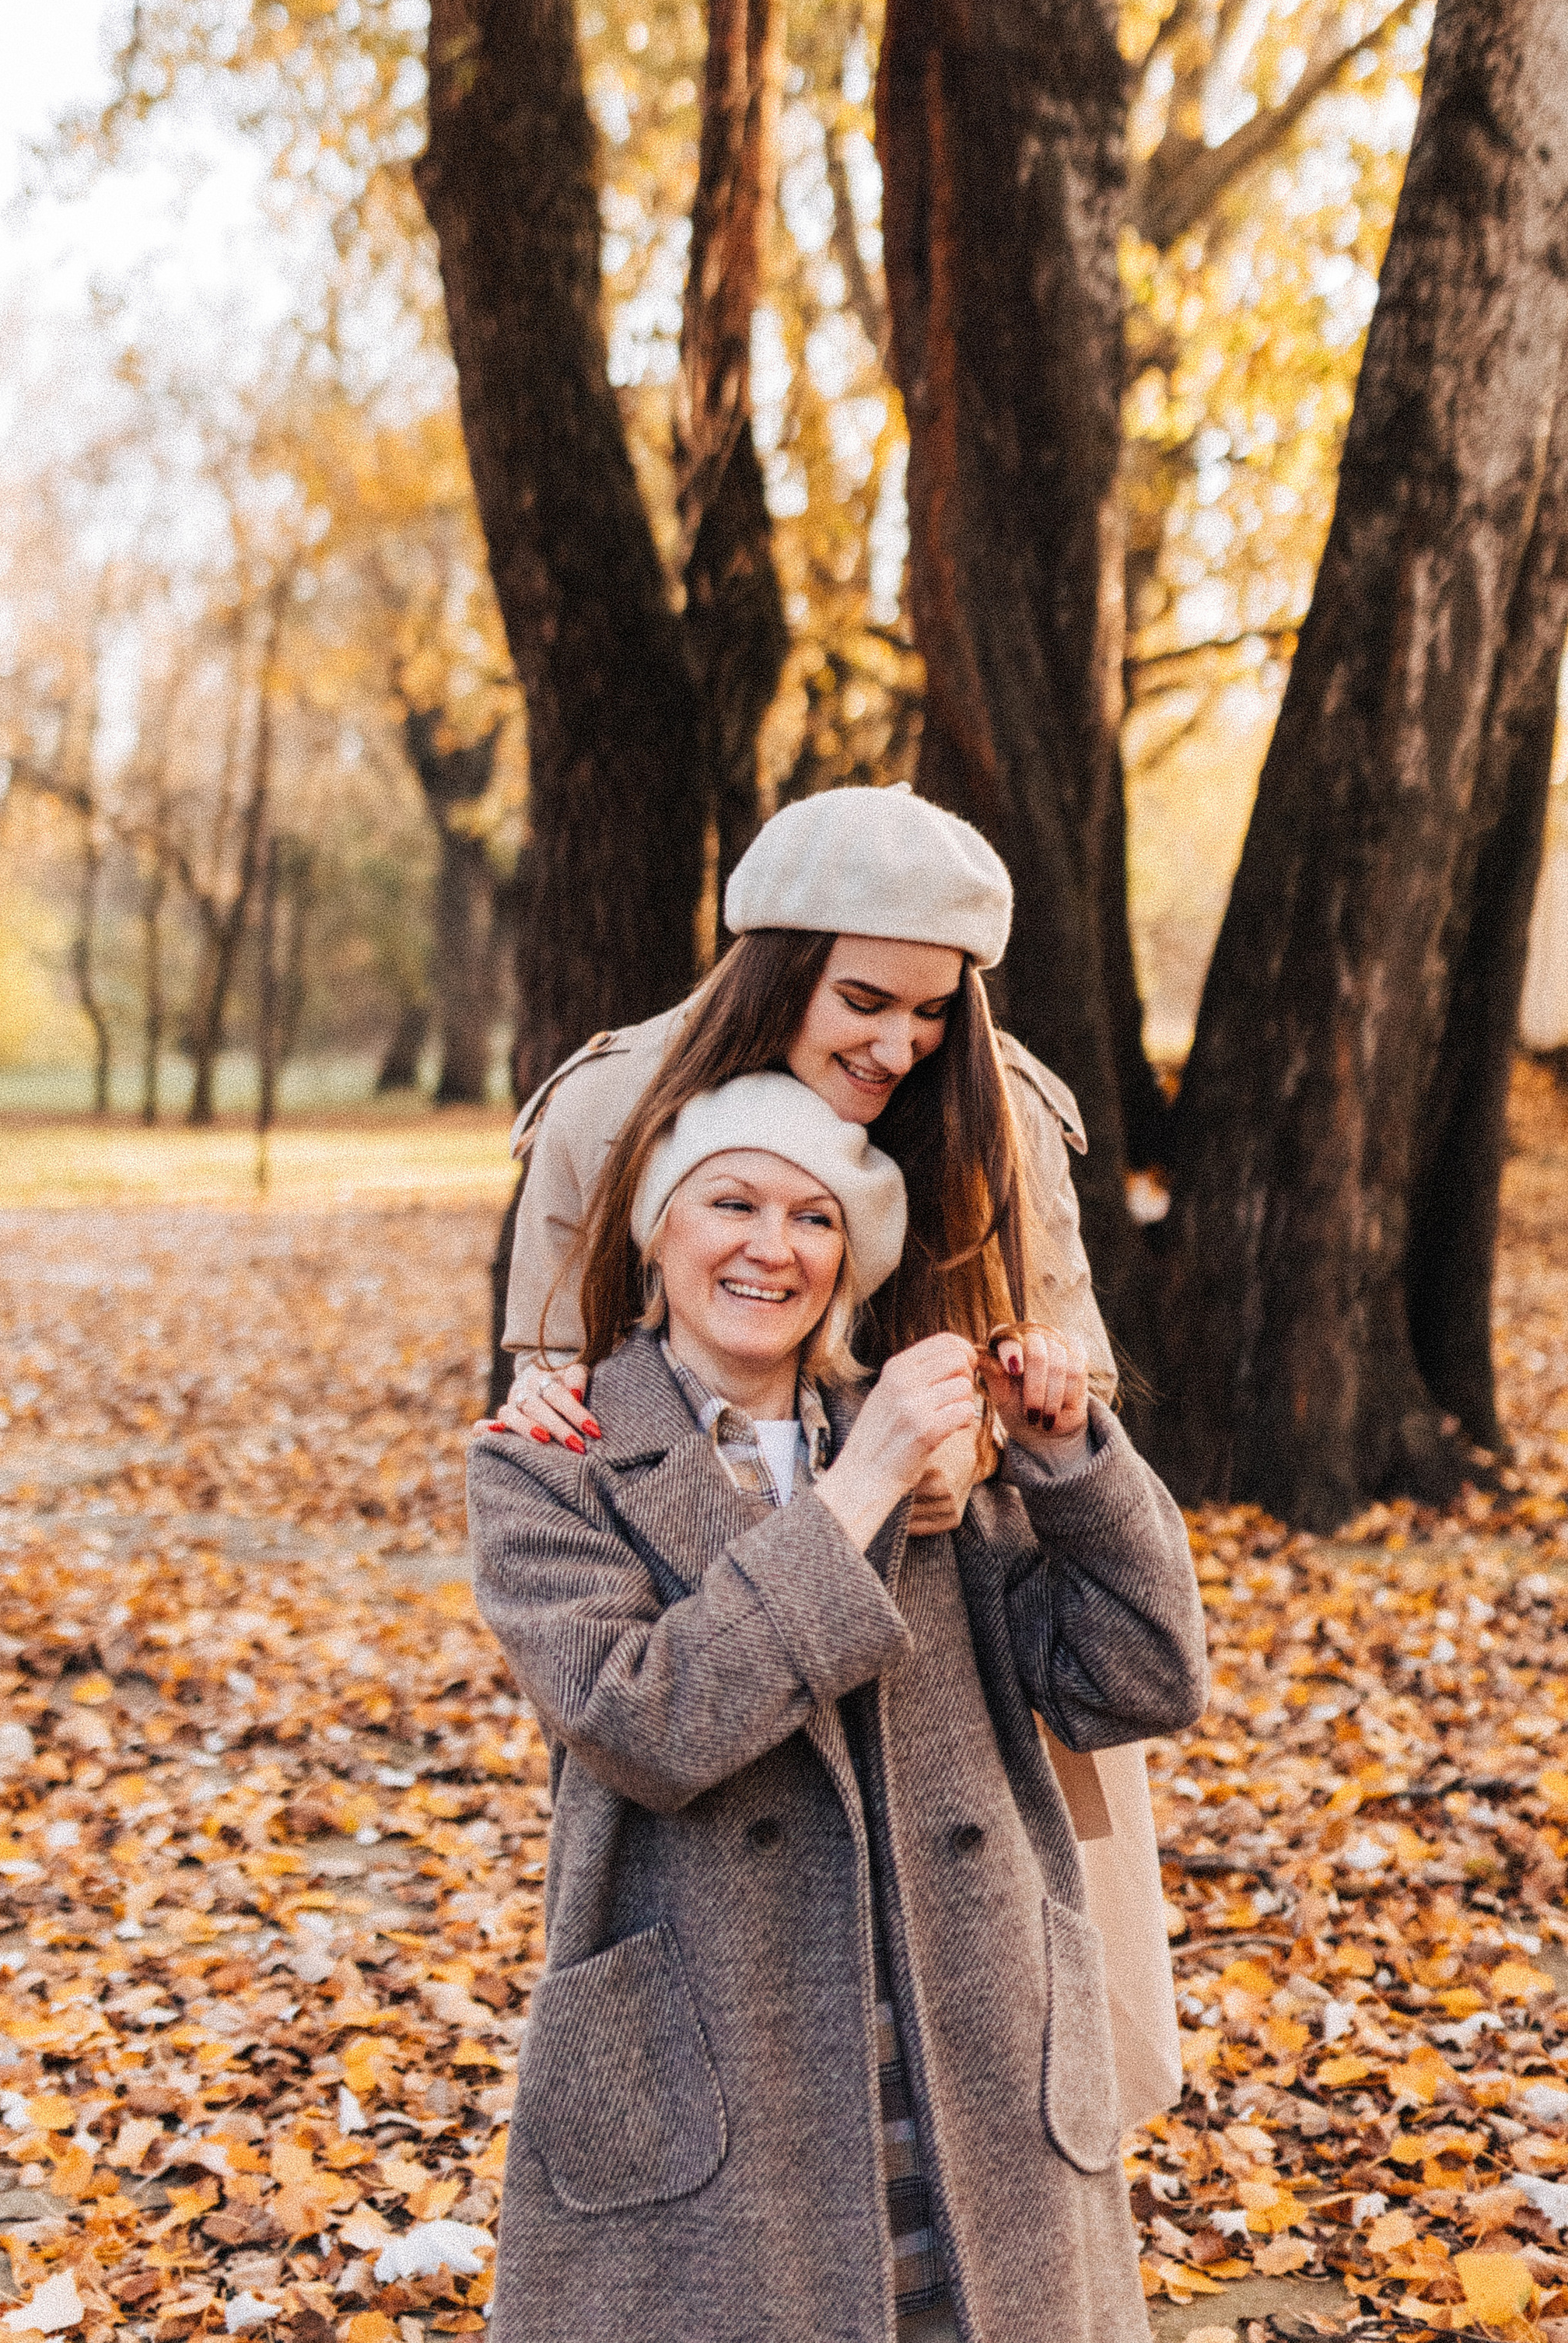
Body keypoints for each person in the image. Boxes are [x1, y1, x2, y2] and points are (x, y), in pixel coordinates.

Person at [465, 1069, 1207, 2343]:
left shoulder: (934, 1440)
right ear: (658, 1228)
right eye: (731, 1203)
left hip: (965, 2051)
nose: (770, 1247)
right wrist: (855, 1492)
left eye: (814, 1218)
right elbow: (647, 1722)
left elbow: (1137, 1677)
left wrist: (1072, 1459)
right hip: (712, 2068)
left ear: (851, 1258)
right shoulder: (552, 1460)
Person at [486, 782, 1186, 2126]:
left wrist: (974, 1445)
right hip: (711, 1628)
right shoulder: (608, 1106)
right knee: (745, 2065)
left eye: (935, 1010)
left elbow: (1068, 1372)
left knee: (1010, 2063)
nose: (901, 1045)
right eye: (864, 1001)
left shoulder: (998, 1112)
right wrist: (545, 1419)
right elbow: (552, 1382)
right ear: (779, 966)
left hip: (967, 1641)